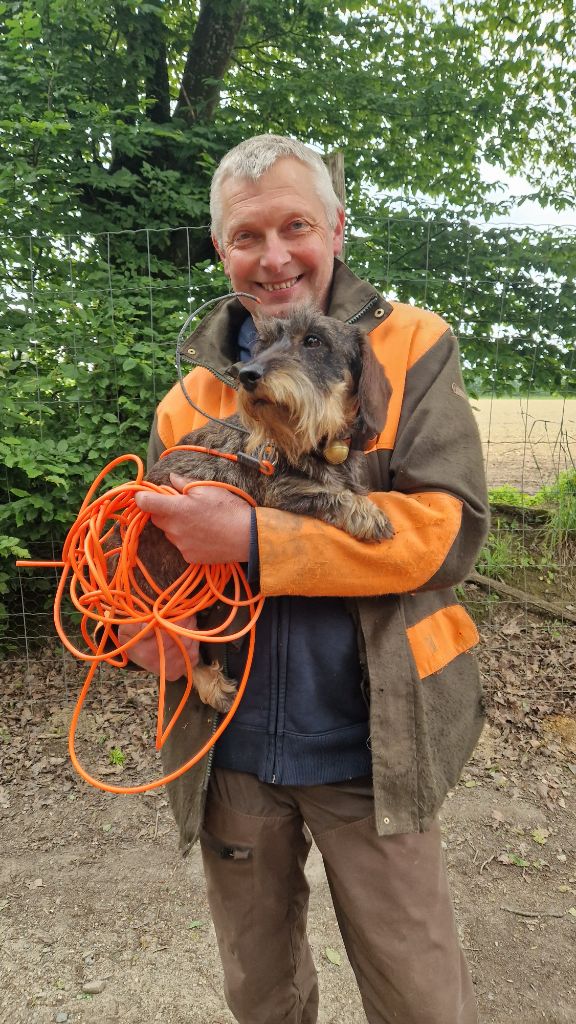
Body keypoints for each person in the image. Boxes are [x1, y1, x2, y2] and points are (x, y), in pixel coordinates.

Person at [124, 134, 489, 1024]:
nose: (274, 254)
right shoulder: (192, 395)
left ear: (336, 226)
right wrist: (138, 634)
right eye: (248, 235)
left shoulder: (411, 346)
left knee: (420, 997)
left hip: (375, 742)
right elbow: (131, 548)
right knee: (261, 993)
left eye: (295, 226)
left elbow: (447, 533)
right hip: (232, 748)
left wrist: (255, 537)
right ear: (222, 250)